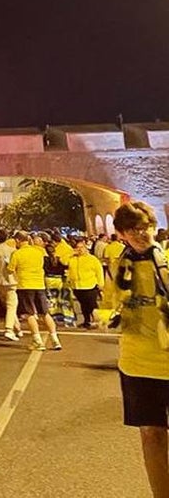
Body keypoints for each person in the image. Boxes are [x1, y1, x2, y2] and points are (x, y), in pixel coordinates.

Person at [112, 201, 169, 498]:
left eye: (145, 227)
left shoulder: (166, 258)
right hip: (138, 363)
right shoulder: (119, 265)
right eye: (133, 229)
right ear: (121, 234)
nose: (141, 234)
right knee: (151, 436)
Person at [8, 230, 62, 351]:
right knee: (45, 313)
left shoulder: (17, 254)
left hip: (24, 286)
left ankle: (38, 341)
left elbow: (10, 269)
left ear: (17, 240)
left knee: (30, 314)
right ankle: (55, 340)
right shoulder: (38, 252)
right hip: (39, 285)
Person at [66, 235, 105, 328]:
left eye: (82, 247)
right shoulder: (73, 259)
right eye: (77, 247)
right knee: (83, 305)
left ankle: (98, 321)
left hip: (90, 285)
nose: (80, 249)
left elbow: (99, 271)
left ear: (86, 248)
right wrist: (71, 253)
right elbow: (63, 261)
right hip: (77, 286)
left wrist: (100, 284)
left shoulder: (92, 259)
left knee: (92, 305)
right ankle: (87, 321)